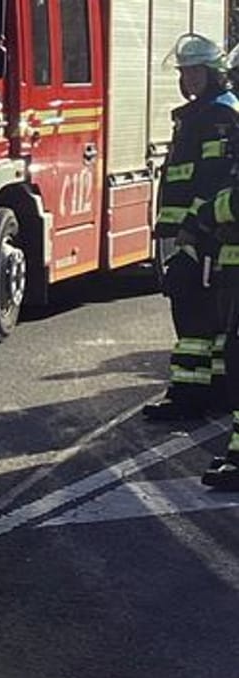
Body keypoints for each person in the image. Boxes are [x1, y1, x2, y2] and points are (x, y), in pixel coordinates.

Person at [143, 33, 239, 422]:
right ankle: (203, 390)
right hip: (182, 231)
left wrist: (193, 229)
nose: (190, 79)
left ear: (214, 72)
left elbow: (215, 179)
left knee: (196, 315)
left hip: (197, 233)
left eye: (196, 71)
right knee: (194, 312)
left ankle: (191, 395)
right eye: (185, 72)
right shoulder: (202, 112)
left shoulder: (220, 114)